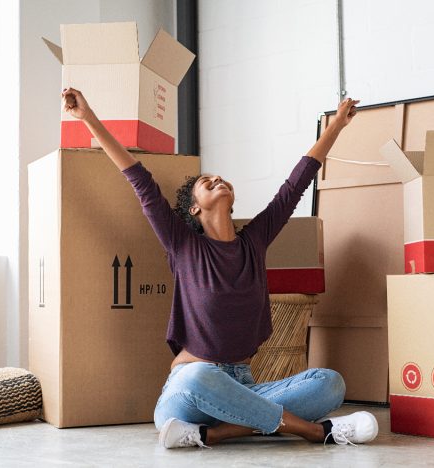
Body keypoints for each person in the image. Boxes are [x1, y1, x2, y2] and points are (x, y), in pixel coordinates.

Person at [61, 88, 378, 449]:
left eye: (220, 179)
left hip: (243, 386)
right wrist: (87, 117)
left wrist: (336, 125)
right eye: (205, 183)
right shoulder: (183, 246)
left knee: (330, 383)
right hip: (188, 395)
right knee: (198, 376)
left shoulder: (254, 242)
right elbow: (139, 180)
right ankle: (314, 431)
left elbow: (296, 185)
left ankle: (218, 433)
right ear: (194, 209)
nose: (216, 180)